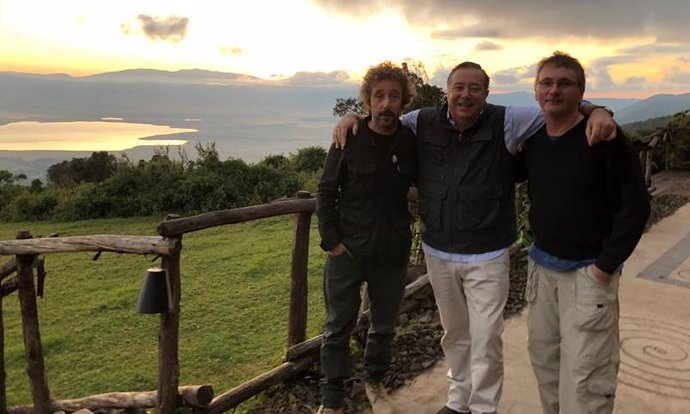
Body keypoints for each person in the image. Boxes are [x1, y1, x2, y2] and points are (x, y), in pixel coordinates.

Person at [333, 62, 616, 414]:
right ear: (447, 90)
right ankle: (457, 401)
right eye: (458, 87)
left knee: (485, 339)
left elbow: (558, 107)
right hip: (438, 249)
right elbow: (382, 120)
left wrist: (597, 110)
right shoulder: (421, 121)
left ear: (486, 93)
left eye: (474, 88)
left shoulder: (508, 120)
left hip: (488, 252)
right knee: (455, 335)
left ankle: (483, 407)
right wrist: (354, 119)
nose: (465, 95)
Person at [518, 51, 650, 414]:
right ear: (535, 91)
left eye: (565, 83)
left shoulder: (604, 139)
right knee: (546, 364)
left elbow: (635, 206)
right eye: (547, 83)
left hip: (589, 274)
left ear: (581, 92)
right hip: (542, 270)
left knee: (587, 375)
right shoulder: (533, 143)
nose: (554, 90)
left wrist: (605, 267)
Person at [315, 61, 417, 414]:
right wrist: (332, 242)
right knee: (337, 327)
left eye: (394, 96)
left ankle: (375, 381)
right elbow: (326, 192)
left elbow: (424, 182)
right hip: (349, 251)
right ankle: (332, 398)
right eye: (379, 96)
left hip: (391, 251)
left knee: (384, 325)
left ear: (403, 101)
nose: (387, 103)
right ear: (368, 102)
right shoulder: (349, 137)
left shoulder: (410, 142)